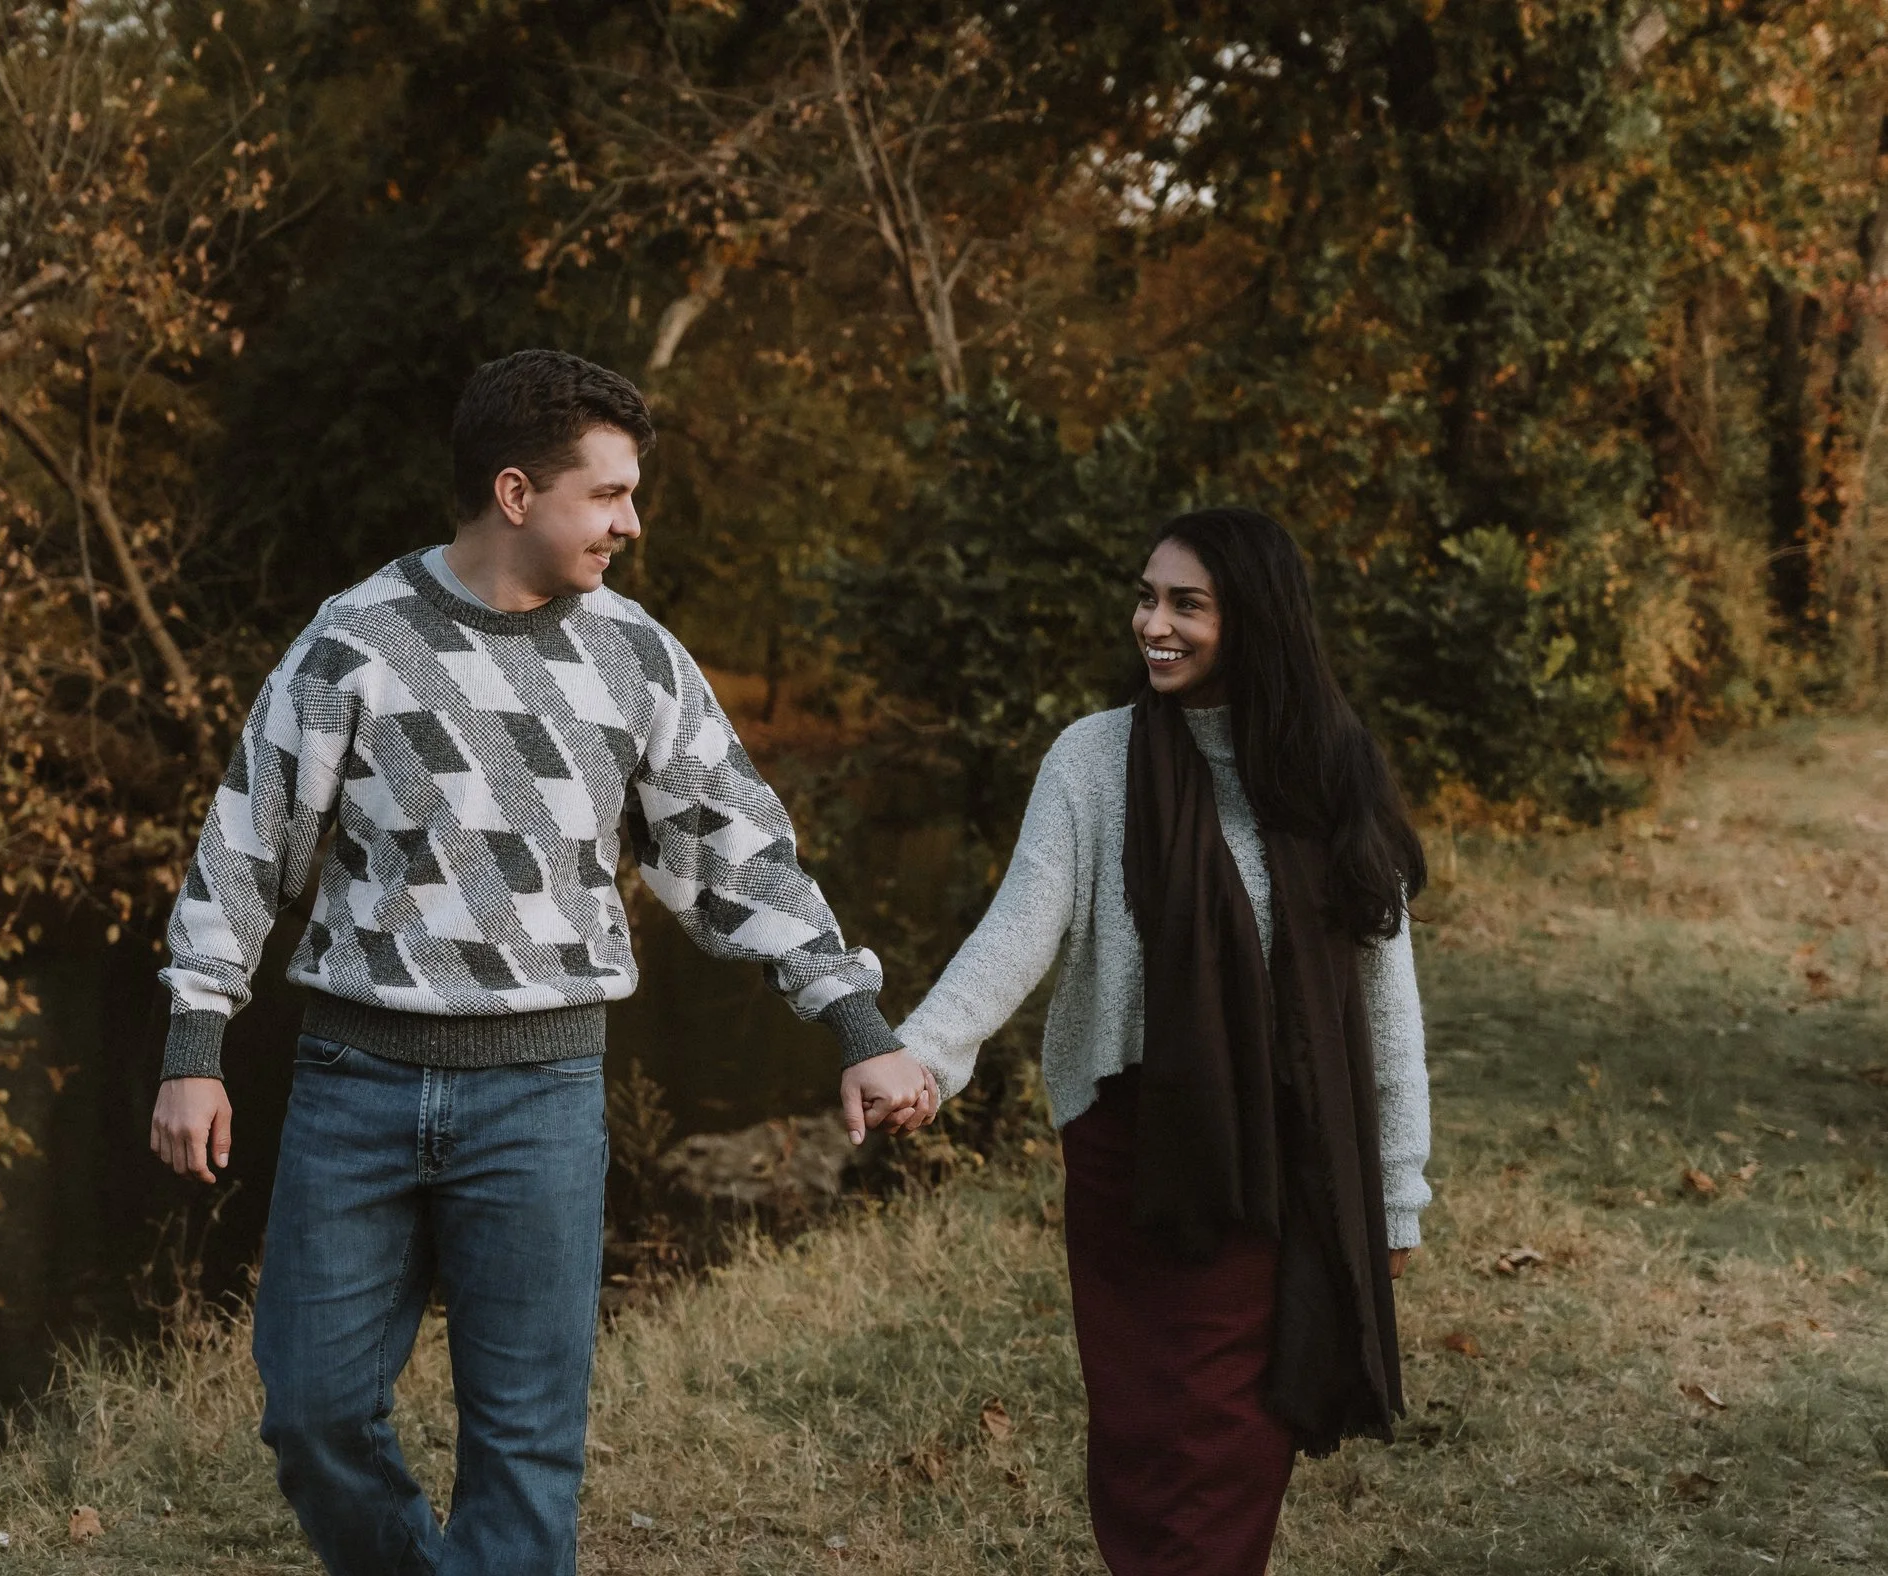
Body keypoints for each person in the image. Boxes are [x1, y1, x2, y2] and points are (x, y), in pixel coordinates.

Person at [148, 349, 937, 1574]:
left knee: (522, 1448)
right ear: (516, 494)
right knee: (310, 1415)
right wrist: (194, 1043)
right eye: (608, 494)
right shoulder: (354, 642)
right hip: (353, 1082)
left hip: (543, 1098)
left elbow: (738, 858)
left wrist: (858, 1023)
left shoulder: (637, 659)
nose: (631, 521)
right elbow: (248, 843)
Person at [897, 506, 1433, 1576]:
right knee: (1148, 1433)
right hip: (1138, 1149)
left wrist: (1401, 1187)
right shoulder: (1092, 763)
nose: (1154, 622)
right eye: (1147, 596)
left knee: (1233, 1436)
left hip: (1289, 1149)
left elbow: (1384, 995)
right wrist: (924, 1050)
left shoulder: (1330, 768)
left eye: (1187, 603)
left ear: (1257, 619)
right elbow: (1020, 925)